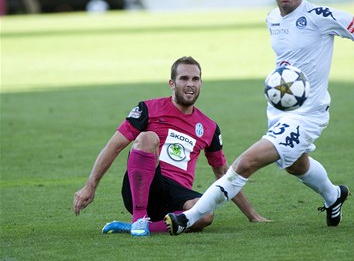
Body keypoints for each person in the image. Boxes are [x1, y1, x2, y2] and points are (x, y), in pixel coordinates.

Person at [164, 0, 354, 235]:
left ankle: (187, 218)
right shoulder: (272, 19)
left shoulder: (320, 16)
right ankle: (333, 195)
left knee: (245, 163)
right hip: (280, 109)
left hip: (307, 115)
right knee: (295, 164)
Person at [73, 56, 268, 236]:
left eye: (195, 79)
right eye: (184, 78)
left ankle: (140, 227)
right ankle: (139, 217)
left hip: (176, 196)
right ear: (172, 83)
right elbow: (113, 146)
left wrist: (251, 214)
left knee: (206, 214)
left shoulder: (209, 127)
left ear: (201, 83)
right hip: (144, 186)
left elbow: (224, 174)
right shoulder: (148, 109)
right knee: (148, 137)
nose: (190, 84)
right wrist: (90, 186)